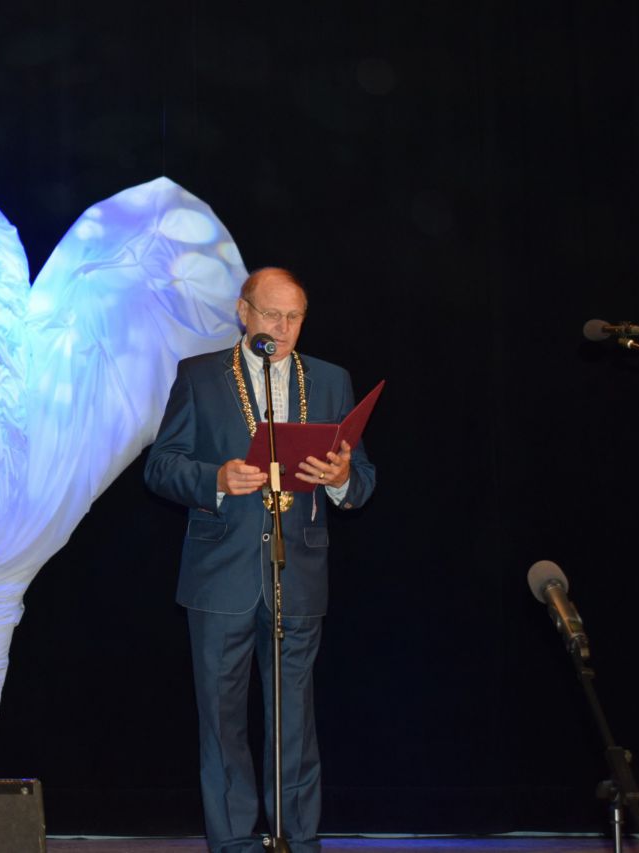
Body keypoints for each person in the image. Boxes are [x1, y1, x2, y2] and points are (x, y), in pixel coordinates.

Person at [144, 266, 376, 853]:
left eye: (294, 317)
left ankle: (297, 838)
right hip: (218, 575)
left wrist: (341, 479)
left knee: (294, 717)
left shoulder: (329, 380)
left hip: (298, 570)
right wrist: (215, 478)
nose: (283, 327)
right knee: (222, 720)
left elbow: (363, 478)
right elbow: (161, 466)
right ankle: (233, 843)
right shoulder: (200, 377)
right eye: (272, 314)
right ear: (243, 312)